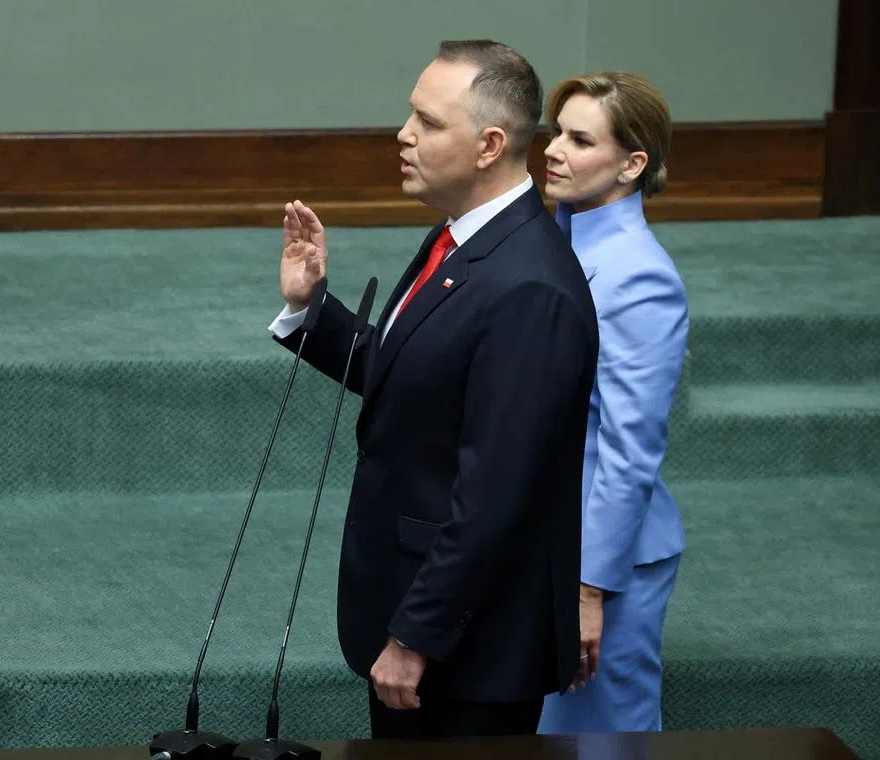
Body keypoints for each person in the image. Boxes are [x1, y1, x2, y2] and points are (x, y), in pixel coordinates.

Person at [267, 40, 598, 739]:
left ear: (489, 144)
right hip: (429, 621)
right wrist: (310, 311)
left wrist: (415, 637)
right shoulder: (464, 241)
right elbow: (416, 379)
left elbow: (495, 495)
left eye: (428, 121)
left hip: (467, 652)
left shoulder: (530, 288)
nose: (403, 134)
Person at [536, 72, 689, 734]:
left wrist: (586, 588)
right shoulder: (565, 243)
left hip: (604, 564)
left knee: (603, 743)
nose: (553, 150)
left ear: (633, 163)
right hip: (553, 546)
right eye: (554, 132)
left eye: (579, 138)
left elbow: (630, 448)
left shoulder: (638, 275)